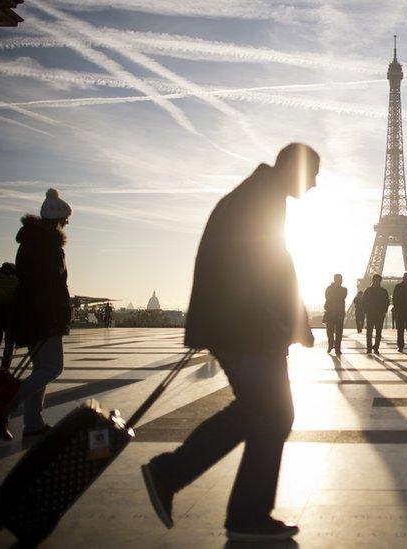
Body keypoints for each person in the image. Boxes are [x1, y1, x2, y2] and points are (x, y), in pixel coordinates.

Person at [141, 144, 318, 542]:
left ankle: (243, 511)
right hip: (245, 327)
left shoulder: (258, 193)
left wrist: (292, 320)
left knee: (267, 414)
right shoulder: (260, 198)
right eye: (313, 173)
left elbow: (271, 262)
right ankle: (176, 476)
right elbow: (272, 264)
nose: (315, 183)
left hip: (240, 324)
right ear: (292, 166)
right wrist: (293, 320)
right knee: (268, 412)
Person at [0, 188, 74, 442]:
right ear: (57, 220)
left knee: (41, 367)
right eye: (65, 220)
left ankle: (33, 423)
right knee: (52, 367)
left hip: (31, 314)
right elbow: (50, 286)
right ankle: (5, 405)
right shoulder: (47, 244)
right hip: (42, 315)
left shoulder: (34, 241)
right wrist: (55, 315)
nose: (67, 225)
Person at [362, 274, 390, 354]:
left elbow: (386, 302)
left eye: (378, 280)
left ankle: (375, 347)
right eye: (376, 280)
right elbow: (386, 302)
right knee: (371, 331)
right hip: (372, 313)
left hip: (377, 313)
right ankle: (370, 347)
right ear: (373, 280)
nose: (377, 282)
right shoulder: (383, 291)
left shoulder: (368, 290)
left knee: (376, 332)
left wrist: (384, 311)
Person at [324, 274, 347, 355]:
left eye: (341, 279)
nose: (340, 281)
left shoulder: (343, 289)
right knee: (330, 331)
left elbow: (336, 297)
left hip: (338, 312)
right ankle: (331, 344)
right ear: (335, 279)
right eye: (339, 279)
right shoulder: (341, 289)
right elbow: (329, 297)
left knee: (338, 332)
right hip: (332, 312)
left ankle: (337, 348)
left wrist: (333, 296)